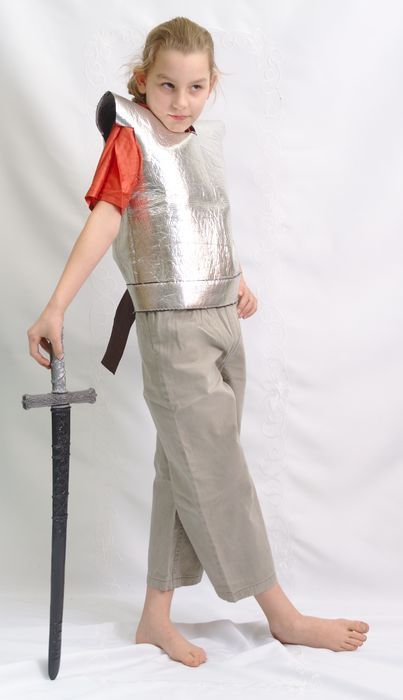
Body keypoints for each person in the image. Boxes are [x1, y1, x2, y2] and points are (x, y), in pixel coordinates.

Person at [27, 16, 369, 668]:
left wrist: (234, 278)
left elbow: (201, 217)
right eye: (166, 85)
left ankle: (154, 617)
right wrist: (56, 305)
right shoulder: (131, 137)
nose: (181, 101)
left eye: (195, 87)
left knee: (182, 469)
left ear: (212, 85)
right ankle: (283, 616)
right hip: (174, 332)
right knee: (219, 473)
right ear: (141, 81)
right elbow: (106, 219)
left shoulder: (202, 141)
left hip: (221, 321)